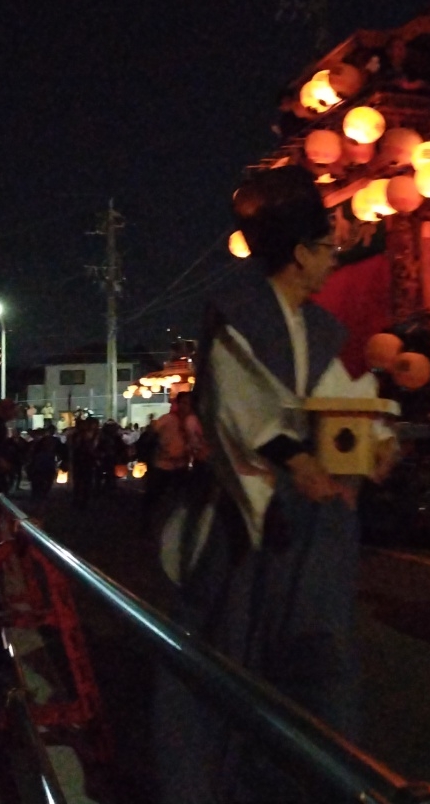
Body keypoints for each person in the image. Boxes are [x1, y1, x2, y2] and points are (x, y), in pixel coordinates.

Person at [153, 164, 395, 803]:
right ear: (300, 253)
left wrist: (377, 441)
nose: (333, 259)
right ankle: (216, 785)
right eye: (327, 247)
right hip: (250, 520)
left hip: (310, 523)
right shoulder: (240, 316)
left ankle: (303, 781)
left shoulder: (315, 328)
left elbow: (339, 399)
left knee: (315, 656)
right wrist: (298, 459)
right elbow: (241, 409)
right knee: (234, 654)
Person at [142, 392, 203, 533]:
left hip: (181, 465)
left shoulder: (191, 421)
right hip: (163, 465)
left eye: (189, 404)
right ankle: (147, 525)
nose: (186, 407)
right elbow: (152, 432)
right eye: (183, 403)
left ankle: (174, 527)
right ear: (178, 404)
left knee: (180, 499)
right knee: (154, 497)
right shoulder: (168, 419)